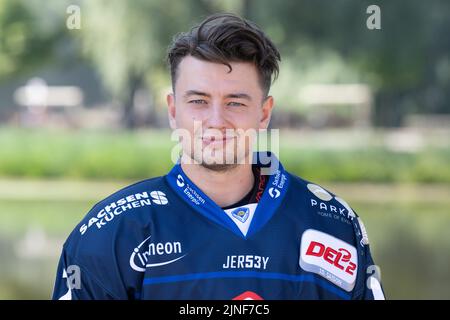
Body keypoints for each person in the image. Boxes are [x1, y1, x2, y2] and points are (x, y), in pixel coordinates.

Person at [52, 13, 385, 300]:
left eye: (235, 103)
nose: (215, 120)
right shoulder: (113, 231)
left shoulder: (332, 223)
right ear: (173, 110)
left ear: (264, 113)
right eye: (198, 101)